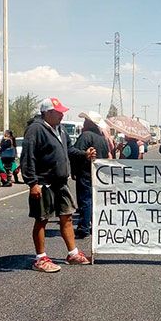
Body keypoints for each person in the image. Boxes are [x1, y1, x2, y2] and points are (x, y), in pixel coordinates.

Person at [21, 97, 96, 272]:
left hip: (60, 182)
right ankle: (40, 258)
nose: (62, 115)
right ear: (47, 113)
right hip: (43, 183)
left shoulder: (60, 129)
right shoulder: (35, 129)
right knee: (42, 219)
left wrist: (84, 154)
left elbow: (69, 150)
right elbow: (28, 156)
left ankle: (73, 254)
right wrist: (32, 183)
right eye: (58, 112)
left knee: (67, 216)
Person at [72, 111, 110, 239]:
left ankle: (83, 227)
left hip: (86, 172)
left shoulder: (86, 136)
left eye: (85, 121)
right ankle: (95, 225)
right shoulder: (102, 139)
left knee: (85, 200)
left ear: (89, 123)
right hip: (99, 174)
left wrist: (74, 169)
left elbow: (76, 153)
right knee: (94, 201)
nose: (83, 123)